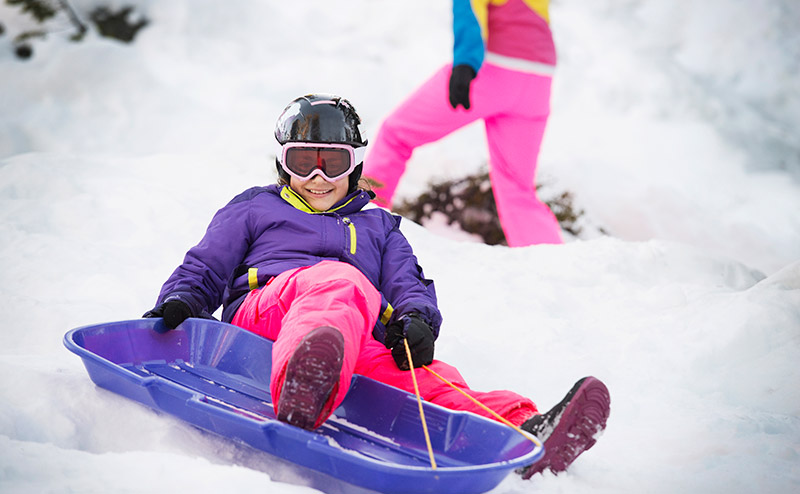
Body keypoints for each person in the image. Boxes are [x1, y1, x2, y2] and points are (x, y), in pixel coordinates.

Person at [143, 94, 609, 476]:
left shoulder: (380, 228)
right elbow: (205, 264)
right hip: (266, 317)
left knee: (431, 381)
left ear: (356, 165)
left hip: (342, 343)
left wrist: (416, 321)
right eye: (304, 162)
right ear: (284, 165)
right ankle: (300, 389)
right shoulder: (255, 208)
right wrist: (181, 300)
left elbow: (409, 284)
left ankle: (525, 432)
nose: (319, 177)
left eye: (333, 162)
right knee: (339, 280)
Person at [364, 0, 562, 246]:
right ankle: (554, 266)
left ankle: (362, 225)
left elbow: (468, 6)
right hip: (538, 76)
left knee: (395, 135)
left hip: (491, 68)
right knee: (517, 188)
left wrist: (466, 63)